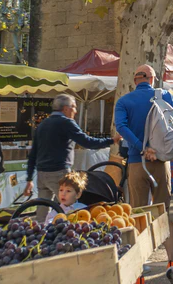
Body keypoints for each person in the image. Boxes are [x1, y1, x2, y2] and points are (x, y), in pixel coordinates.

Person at [115, 66, 173, 284]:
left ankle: (138, 273)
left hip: (138, 163)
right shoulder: (164, 95)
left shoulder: (124, 101)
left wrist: (141, 147)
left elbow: (121, 126)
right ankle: (172, 263)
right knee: (164, 214)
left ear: (135, 79)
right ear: (152, 78)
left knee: (138, 216)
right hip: (161, 163)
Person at [24, 94, 112, 222]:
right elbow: (87, 142)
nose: (75, 111)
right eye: (74, 107)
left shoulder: (43, 124)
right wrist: (110, 141)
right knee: (70, 209)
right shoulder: (66, 122)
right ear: (66, 108)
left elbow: (33, 154)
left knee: (42, 213)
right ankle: (70, 236)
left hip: (42, 174)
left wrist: (29, 178)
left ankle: (40, 235)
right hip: (59, 172)